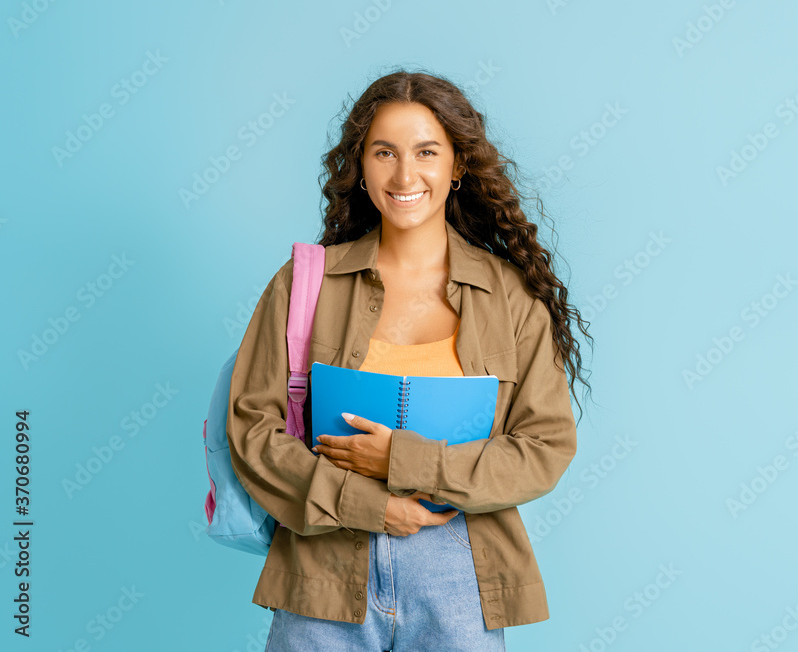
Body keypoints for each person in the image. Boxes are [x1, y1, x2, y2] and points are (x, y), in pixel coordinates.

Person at [226, 69, 592, 651]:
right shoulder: (304, 284)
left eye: (426, 152)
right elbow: (252, 431)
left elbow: (545, 449)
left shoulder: (512, 299)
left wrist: (405, 459)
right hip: (322, 566)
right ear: (360, 167)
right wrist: (369, 504)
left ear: (457, 165)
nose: (404, 175)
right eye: (383, 152)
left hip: (460, 568)